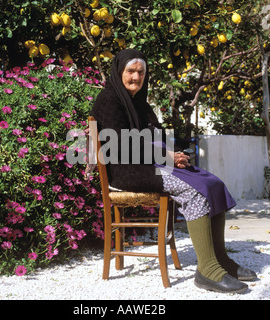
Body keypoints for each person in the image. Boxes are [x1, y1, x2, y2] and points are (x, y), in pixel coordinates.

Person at [90, 48, 256, 294]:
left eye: (141, 72)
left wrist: (176, 156)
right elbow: (121, 146)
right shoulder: (108, 100)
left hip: (150, 164)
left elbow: (157, 136)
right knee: (194, 192)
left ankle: (221, 260)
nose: (136, 77)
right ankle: (207, 271)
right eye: (130, 71)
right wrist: (165, 157)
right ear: (119, 71)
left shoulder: (140, 103)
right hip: (127, 172)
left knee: (213, 184)